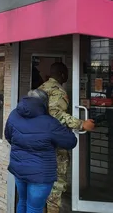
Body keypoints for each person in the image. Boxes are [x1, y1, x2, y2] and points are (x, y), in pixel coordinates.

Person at [5, 89, 77, 213]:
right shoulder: (50, 122)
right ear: (44, 103)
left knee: (22, 201)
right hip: (40, 174)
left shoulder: (14, 115)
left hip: (19, 169)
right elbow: (71, 142)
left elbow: (8, 136)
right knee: (34, 207)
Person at [39, 62, 95, 213]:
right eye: (67, 73)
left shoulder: (41, 88)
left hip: (41, 142)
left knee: (43, 181)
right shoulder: (58, 90)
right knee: (56, 184)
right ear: (62, 74)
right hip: (55, 144)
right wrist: (81, 124)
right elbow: (56, 115)